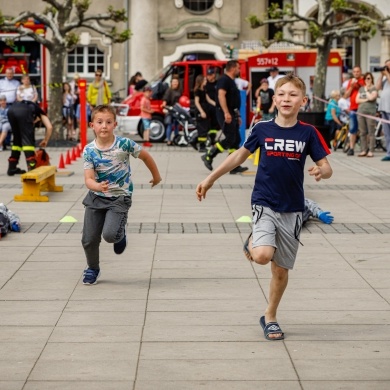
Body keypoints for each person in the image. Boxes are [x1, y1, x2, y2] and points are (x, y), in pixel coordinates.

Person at [196, 73, 333, 340]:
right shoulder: (261, 128)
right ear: (274, 98)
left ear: (303, 101)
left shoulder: (308, 132)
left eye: (293, 95)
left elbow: (327, 167)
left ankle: (270, 316)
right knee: (261, 256)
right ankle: (255, 241)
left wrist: (321, 171)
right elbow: (238, 156)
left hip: (293, 209)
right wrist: (211, 178)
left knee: (280, 271)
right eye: (281, 94)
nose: (286, 99)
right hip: (264, 203)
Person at [81, 104, 162, 285]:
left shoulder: (124, 144)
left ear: (115, 124)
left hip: (119, 197)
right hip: (96, 197)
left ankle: (120, 232)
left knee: (110, 235)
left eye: (108, 122)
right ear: (91, 125)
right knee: (88, 239)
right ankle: (92, 268)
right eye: (99, 122)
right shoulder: (89, 150)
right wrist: (97, 186)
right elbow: (88, 179)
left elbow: (146, 157)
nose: (104, 126)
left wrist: (156, 177)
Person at [201, 60, 248, 174]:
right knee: (230, 138)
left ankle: (233, 165)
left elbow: (233, 100)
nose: (239, 70)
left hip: (232, 113)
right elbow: (221, 96)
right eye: (237, 68)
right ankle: (209, 155)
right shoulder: (224, 80)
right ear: (232, 68)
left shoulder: (231, 81)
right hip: (224, 112)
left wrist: (237, 116)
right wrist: (226, 113)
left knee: (236, 139)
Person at [7, 101, 52, 175]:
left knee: (17, 140)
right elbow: (49, 127)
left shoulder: (30, 106)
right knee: (27, 141)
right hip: (23, 112)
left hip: (11, 110)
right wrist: (45, 140)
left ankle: (12, 167)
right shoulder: (40, 112)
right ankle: (31, 167)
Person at [344, 65, 365, 156]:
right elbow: (346, 96)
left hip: (362, 108)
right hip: (353, 108)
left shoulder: (364, 80)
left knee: (364, 129)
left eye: (358, 71)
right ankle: (351, 148)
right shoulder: (350, 82)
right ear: (353, 73)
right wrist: (352, 86)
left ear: (360, 72)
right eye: (354, 72)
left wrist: (359, 84)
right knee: (352, 129)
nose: (356, 73)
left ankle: (364, 148)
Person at [356, 72, 378, 157]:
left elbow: (372, 97)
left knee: (371, 132)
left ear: (372, 79)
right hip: (361, 111)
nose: (367, 80)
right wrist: (366, 99)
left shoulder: (374, 88)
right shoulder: (361, 88)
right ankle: (363, 150)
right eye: (366, 78)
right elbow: (357, 100)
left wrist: (366, 91)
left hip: (370, 112)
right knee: (362, 132)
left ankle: (371, 150)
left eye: (369, 78)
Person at [375, 59, 390, 161]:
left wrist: (387, 74)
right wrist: (381, 74)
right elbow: (377, 87)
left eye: (388, 66)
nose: (386, 68)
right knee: (387, 133)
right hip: (384, 108)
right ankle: (389, 153)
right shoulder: (385, 79)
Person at [191, 74, 210, 153]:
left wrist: (217, 105)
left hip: (205, 111)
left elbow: (208, 99)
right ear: (201, 81)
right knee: (202, 129)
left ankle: (194, 141)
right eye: (205, 80)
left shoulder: (204, 89)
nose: (206, 81)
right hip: (200, 112)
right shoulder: (197, 91)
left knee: (205, 128)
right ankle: (202, 146)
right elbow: (196, 102)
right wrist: (201, 111)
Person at [161, 77, 181, 145]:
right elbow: (165, 99)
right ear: (171, 83)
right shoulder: (169, 90)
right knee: (169, 125)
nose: (175, 83)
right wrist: (164, 105)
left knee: (176, 125)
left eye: (176, 82)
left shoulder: (179, 90)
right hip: (170, 110)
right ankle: (168, 140)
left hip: (177, 110)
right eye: (174, 82)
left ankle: (176, 139)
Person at [204, 67, 219, 145]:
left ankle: (212, 138)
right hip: (208, 106)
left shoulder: (218, 84)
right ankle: (208, 138)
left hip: (216, 107)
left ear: (214, 75)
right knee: (208, 124)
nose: (209, 76)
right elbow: (207, 97)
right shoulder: (206, 85)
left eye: (210, 75)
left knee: (215, 124)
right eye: (208, 75)